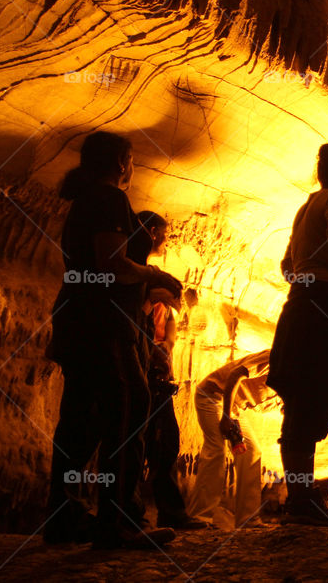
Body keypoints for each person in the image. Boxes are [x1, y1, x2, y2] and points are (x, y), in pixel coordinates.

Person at [44, 131, 183, 549]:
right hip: (103, 323)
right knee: (129, 405)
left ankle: (63, 517)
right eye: (132, 159)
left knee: (80, 423)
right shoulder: (109, 199)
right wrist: (156, 276)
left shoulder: (83, 201)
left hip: (76, 319)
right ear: (123, 162)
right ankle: (118, 520)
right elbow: (112, 263)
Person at [266, 144, 328, 526]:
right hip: (323, 304)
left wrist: (304, 278)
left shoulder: (305, 208)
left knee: (297, 402)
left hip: (298, 302)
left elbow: (287, 263)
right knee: (313, 399)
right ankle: (303, 501)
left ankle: (300, 497)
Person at [131, 211, 206, 531]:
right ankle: (133, 514)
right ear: (148, 231)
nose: (165, 239)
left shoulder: (151, 275)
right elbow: (138, 317)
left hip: (159, 375)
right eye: (161, 233)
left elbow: (168, 320)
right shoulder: (137, 276)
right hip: (143, 372)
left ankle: (170, 512)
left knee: (165, 445)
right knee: (141, 443)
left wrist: (170, 341)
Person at [189, 351, 272, 529]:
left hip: (234, 406)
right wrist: (226, 415)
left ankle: (248, 519)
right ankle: (200, 517)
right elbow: (236, 374)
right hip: (211, 395)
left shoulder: (295, 378)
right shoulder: (277, 357)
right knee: (216, 450)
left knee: (252, 451)